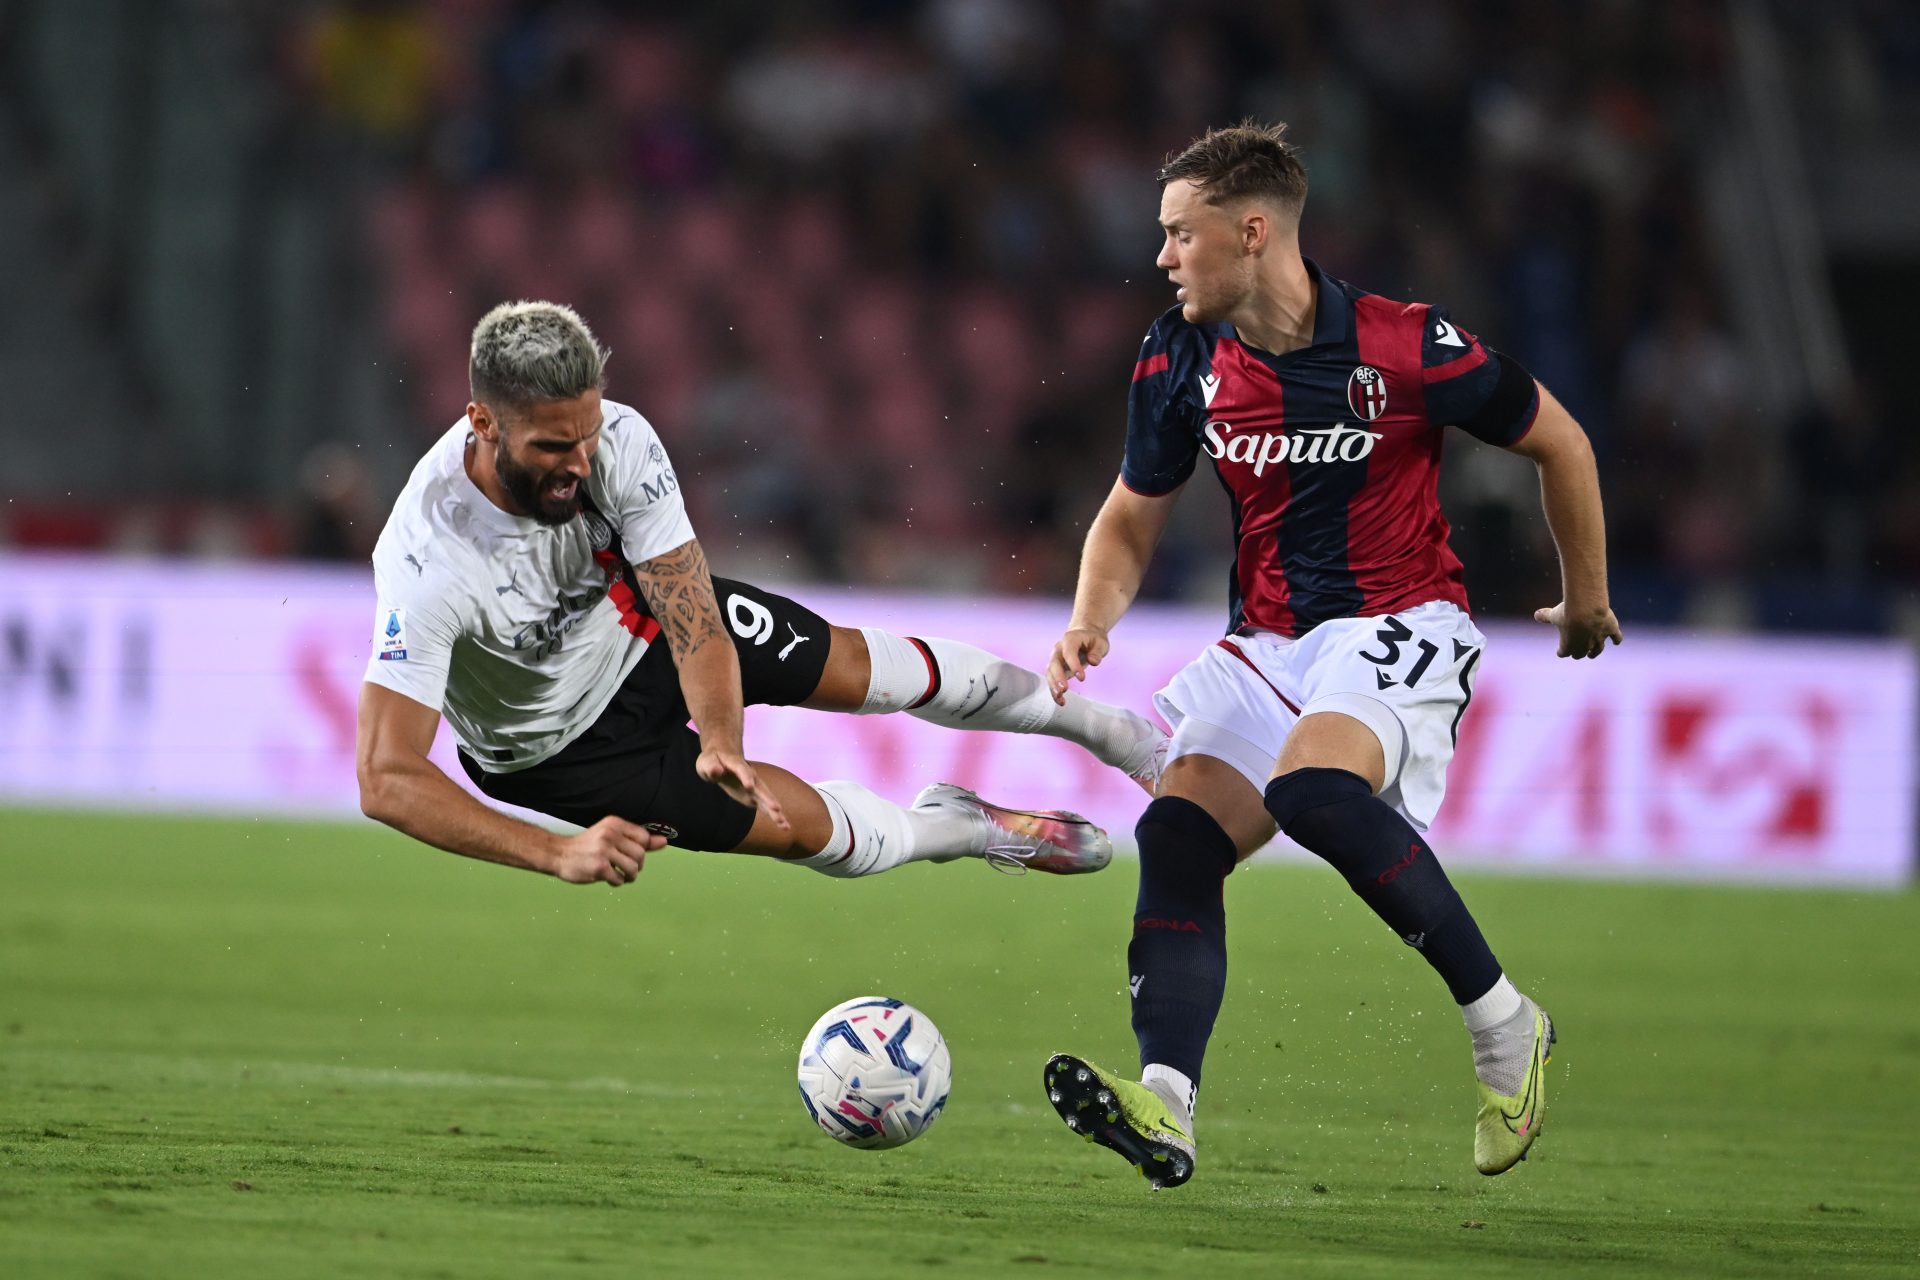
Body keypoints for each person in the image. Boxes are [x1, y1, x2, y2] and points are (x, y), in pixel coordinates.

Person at [1038, 123, 1621, 1189]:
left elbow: (1561, 442)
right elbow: (1131, 514)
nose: (1162, 257)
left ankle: (1506, 1024)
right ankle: (1164, 1104)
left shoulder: (1406, 344)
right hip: (1269, 644)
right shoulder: (1178, 355)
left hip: (1402, 620)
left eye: (1180, 233)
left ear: (1252, 232)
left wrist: (1585, 595)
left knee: (1311, 788)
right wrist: (1093, 613)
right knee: (1175, 834)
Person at [356, 301, 1167, 891]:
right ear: (483, 423)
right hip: (562, 750)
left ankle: (1116, 734)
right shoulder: (429, 561)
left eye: (589, 432)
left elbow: (691, 610)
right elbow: (386, 777)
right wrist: (552, 851)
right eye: (552, 445)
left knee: (858, 666)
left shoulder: (621, 442)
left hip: (639, 630)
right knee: (806, 831)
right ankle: (957, 828)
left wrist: (721, 735)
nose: (579, 460)